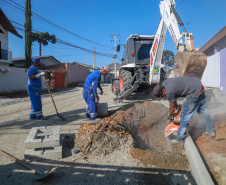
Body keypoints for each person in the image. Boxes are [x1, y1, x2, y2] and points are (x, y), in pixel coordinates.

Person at [153, 76, 215, 144]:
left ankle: (180, 138)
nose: (163, 97)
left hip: (193, 93)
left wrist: (170, 117)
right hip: (200, 87)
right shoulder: (165, 83)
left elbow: (172, 106)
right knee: (203, 112)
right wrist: (175, 106)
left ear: (163, 90)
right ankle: (210, 131)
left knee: (185, 116)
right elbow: (173, 99)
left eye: (162, 95)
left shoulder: (169, 92)